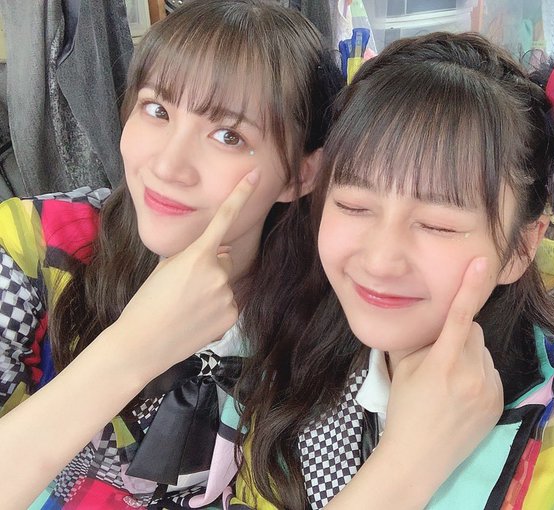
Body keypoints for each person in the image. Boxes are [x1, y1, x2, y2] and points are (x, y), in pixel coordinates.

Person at [232, 32, 554, 508]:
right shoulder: (292, 369)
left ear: (521, 246)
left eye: (437, 224)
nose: (380, 260)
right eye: (354, 206)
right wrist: (406, 466)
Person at [0, 0, 343, 507]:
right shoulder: (38, 247)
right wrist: (134, 349)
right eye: (157, 110)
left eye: (228, 136)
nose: (166, 166)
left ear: (300, 174)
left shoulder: (324, 327)